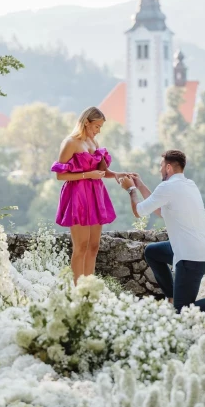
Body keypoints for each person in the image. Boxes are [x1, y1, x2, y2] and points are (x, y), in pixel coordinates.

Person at [119, 149, 205, 314]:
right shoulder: (189, 185)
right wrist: (140, 185)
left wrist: (131, 190)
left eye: (161, 165)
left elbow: (138, 211)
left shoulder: (167, 187)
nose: (159, 169)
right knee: (152, 252)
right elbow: (160, 211)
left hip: (191, 256)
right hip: (199, 249)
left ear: (169, 168)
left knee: (184, 310)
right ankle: (172, 295)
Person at [51, 106, 132, 283]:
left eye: (100, 127)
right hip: (77, 195)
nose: (98, 131)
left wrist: (117, 174)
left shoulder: (93, 143)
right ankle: (78, 290)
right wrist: (87, 175)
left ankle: (89, 287)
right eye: (97, 126)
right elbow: (60, 175)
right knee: (80, 246)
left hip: (96, 195)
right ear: (86, 123)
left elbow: (102, 171)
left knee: (93, 246)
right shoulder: (70, 142)